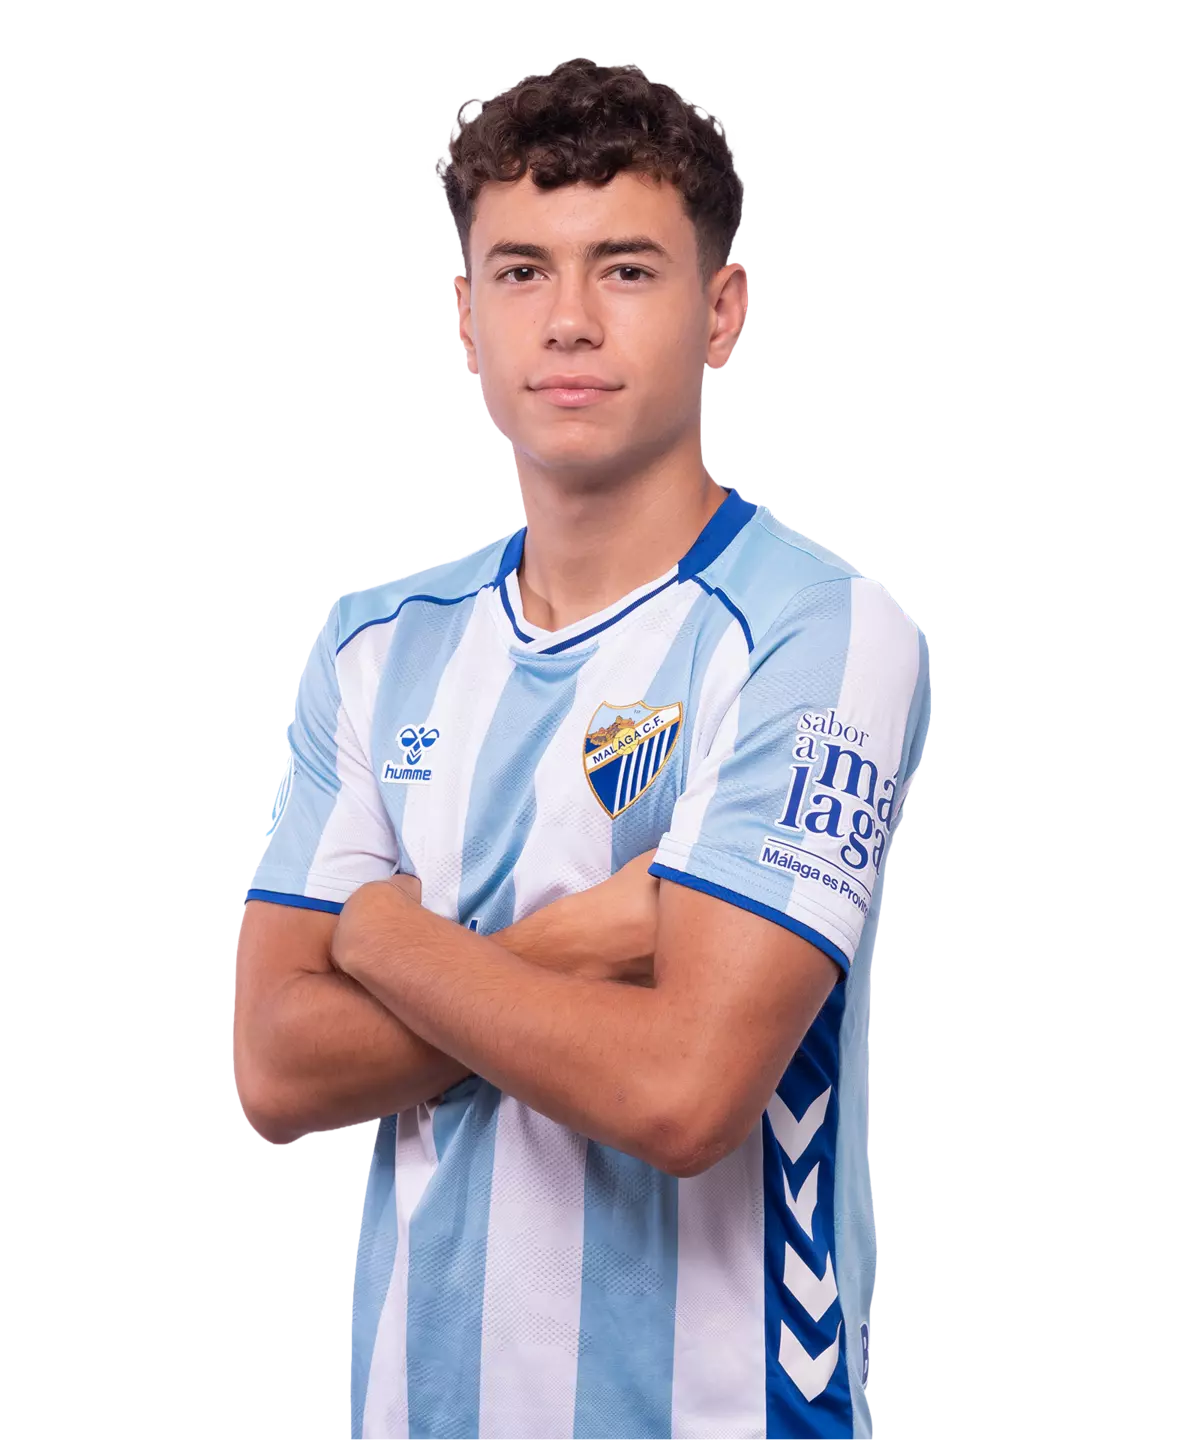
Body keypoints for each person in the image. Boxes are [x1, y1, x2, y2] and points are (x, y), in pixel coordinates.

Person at [233, 56, 931, 1440]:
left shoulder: (822, 632)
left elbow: (682, 1094)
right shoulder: (376, 646)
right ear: (465, 318)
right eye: (521, 272)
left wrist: (382, 935)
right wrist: (579, 940)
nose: (567, 320)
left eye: (625, 270)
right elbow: (276, 1071)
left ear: (722, 312)